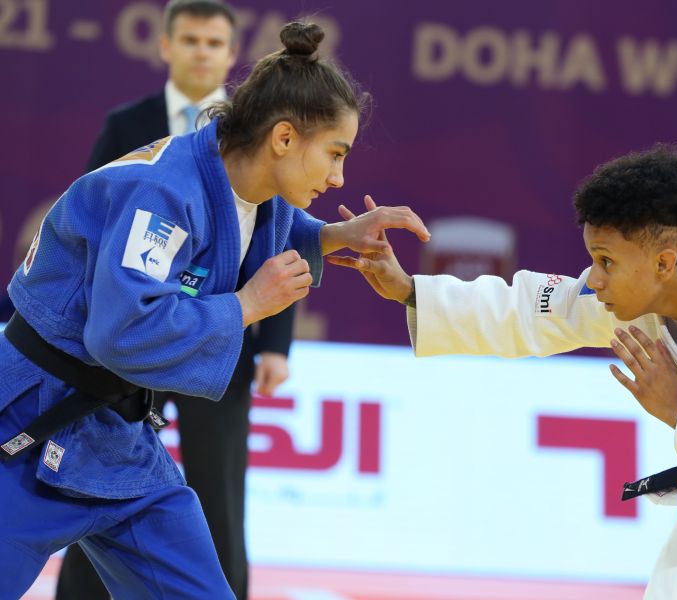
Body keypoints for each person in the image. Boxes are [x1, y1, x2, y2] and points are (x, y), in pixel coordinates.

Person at [328, 146, 677, 599]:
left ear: (665, 261)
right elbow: (532, 309)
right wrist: (408, 290)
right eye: (593, 259)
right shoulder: (637, 294)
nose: (594, 279)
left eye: (606, 262)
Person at [0, 19, 429, 599]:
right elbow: (119, 332)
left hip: (116, 437)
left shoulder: (240, 180)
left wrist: (334, 235)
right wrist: (246, 306)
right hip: (31, 421)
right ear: (283, 138)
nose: (338, 177)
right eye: (335, 154)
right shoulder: (166, 192)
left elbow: (249, 228)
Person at [57, 2, 277, 598]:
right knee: (100, 485)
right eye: (190, 40)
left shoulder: (257, 136)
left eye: (214, 42)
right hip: (130, 340)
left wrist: (276, 345)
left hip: (221, 338)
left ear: (232, 54)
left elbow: (278, 236)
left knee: (219, 494)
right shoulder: (127, 125)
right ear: (166, 46)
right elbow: (91, 221)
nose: (202, 52)